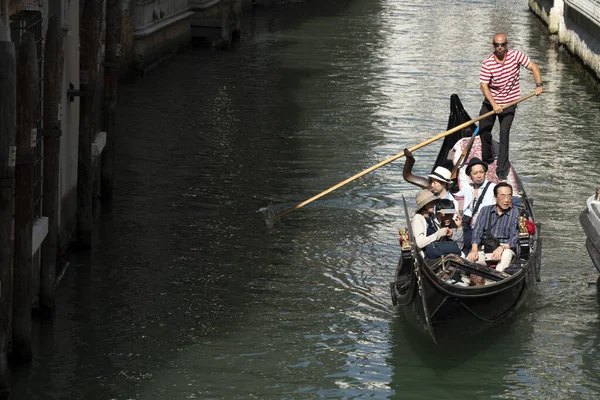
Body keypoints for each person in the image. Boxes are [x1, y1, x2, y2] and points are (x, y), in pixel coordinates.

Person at [479, 32, 543, 181]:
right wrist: (494, 104)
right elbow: (483, 86)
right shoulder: (488, 63)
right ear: (493, 46)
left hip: (509, 103)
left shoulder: (516, 56)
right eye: (497, 45)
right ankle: (487, 159)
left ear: (507, 45)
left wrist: (539, 84)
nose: (500, 48)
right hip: (491, 102)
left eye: (502, 45)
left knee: (504, 135)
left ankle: (501, 171)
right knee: (484, 130)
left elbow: (533, 67)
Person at [467, 182, 519, 273]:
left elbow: (514, 237)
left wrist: (501, 248)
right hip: (486, 249)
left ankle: (498, 277)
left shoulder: (514, 214)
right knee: (469, 260)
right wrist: (474, 250)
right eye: (502, 196)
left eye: (509, 196)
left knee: (506, 254)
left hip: (505, 250)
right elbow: (477, 231)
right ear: (495, 198)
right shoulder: (485, 210)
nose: (506, 200)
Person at [411, 189, 453, 256]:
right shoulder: (418, 219)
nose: (433, 204)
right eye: (430, 203)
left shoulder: (432, 216)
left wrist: (446, 232)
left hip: (438, 249)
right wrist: (438, 234)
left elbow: (437, 231)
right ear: (424, 205)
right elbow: (420, 243)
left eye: (433, 202)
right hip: (428, 254)